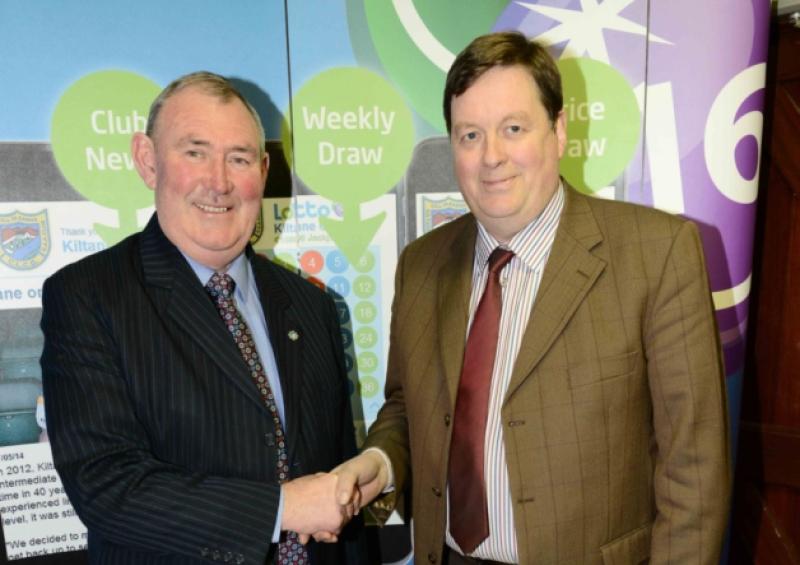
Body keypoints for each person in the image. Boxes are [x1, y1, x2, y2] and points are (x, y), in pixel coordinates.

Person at [333, 32, 731, 564]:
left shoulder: (656, 253)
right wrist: (381, 462)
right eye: (470, 135)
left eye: (513, 129)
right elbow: (409, 407)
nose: (491, 157)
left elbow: (694, 471)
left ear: (559, 130)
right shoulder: (421, 265)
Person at [41, 72, 365, 564]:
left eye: (239, 158)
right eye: (195, 153)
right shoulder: (88, 296)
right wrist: (282, 508)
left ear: (263, 170)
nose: (219, 182)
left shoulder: (311, 305)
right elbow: (106, 485)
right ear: (147, 161)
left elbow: (338, 486)